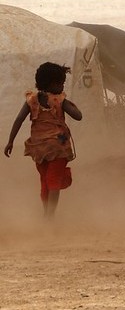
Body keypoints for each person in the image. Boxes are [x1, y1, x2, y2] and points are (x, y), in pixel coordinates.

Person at [4, 62, 83, 219]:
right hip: (58, 147)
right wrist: (68, 103)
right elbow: (78, 116)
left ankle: (47, 214)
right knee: (54, 180)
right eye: (61, 83)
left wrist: (10, 141)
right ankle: (50, 216)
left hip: (39, 148)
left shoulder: (32, 100)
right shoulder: (59, 100)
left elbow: (18, 120)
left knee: (45, 180)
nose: (62, 87)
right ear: (52, 83)